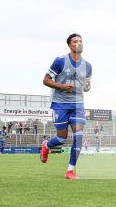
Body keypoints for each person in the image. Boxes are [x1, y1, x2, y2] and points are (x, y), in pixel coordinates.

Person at [39, 33, 92, 180]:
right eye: (75, 41)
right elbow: (46, 80)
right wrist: (62, 86)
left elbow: (86, 86)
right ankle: (46, 145)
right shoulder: (60, 61)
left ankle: (70, 171)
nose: (78, 43)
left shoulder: (88, 66)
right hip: (60, 104)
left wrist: (88, 86)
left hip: (78, 105)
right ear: (69, 45)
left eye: (80, 41)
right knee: (62, 139)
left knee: (79, 137)